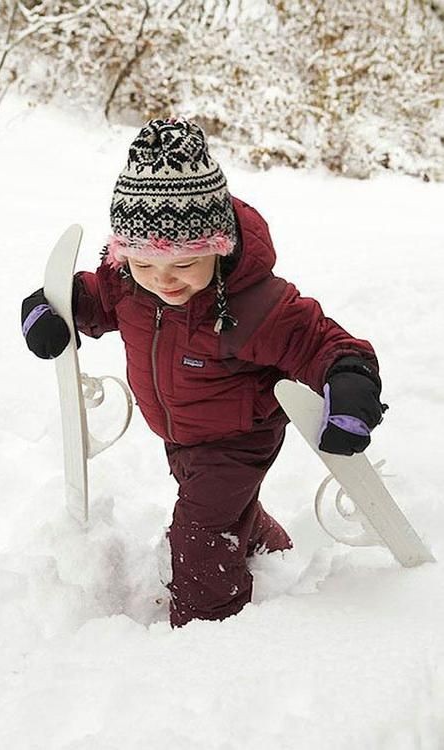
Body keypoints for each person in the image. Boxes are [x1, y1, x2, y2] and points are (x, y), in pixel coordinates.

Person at [22, 117, 386, 627]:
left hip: (239, 437)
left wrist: (350, 379)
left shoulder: (255, 304)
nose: (162, 281)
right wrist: (49, 308)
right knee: (220, 510)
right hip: (181, 432)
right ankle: (267, 545)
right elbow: (91, 297)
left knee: (199, 536)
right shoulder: (128, 282)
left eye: (183, 265)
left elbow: (321, 341)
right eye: (144, 265)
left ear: (218, 247)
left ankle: (206, 631)